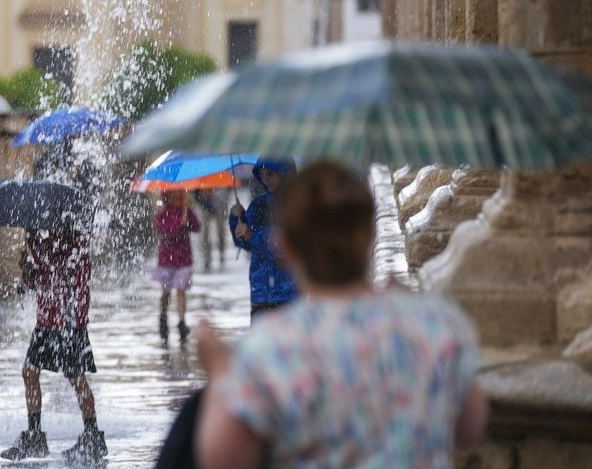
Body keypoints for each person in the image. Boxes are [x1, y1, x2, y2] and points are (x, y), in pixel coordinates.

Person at [195, 161, 487, 469]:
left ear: (287, 248)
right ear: (370, 234)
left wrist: (220, 375)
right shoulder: (433, 325)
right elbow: (471, 427)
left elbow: (224, 458)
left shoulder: (269, 349)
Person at [1, 227, 108, 464]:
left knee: (77, 379)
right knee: (29, 372)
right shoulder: (45, 242)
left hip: (69, 321)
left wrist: (34, 251)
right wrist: (27, 267)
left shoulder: (77, 242)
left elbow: (61, 269)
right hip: (46, 321)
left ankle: (92, 437)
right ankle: (34, 435)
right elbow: (40, 282)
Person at [229, 161, 298, 319]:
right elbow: (244, 243)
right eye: (262, 175)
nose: (265, 179)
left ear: (284, 173)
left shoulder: (297, 205)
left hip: (289, 297)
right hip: (260, 295)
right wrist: (236, 219)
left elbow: (287, 243)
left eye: (270, 174)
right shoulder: (258, 204)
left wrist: (253, 236)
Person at [154, 190, 201, 343]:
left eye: (180, 195)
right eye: (175, 195)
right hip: (167, 259)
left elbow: (197, 227)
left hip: (184, 259)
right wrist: (178, 225)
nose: (179, 197)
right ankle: (163, 315)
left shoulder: (186, 210)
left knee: (181, 290)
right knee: (166, 292)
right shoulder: (163, 214)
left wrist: (188, 221)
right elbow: (164, 231)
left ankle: (181, 322)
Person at [193, 189, 228, 271]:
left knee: (220, 231)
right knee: (205, 234)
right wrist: (201, 197)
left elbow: (225, 194)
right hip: (204, 206)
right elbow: (195, 194)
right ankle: (207, 258)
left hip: (219, 205)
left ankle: (221, 251)